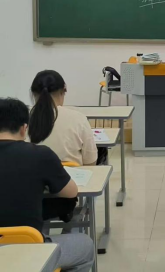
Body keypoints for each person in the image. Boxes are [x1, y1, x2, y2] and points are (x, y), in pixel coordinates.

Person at [0, 98, 94, 272]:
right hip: (31, 250)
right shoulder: (40, 155)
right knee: (85, 245)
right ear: (24, 128)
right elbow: (70, 192)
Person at [29, 70, 98, 166]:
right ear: (63, 92)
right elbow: (90, 161)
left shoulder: (22, 119)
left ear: (33, 94)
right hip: (71, 175)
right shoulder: (78, 119)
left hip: (32, 175)